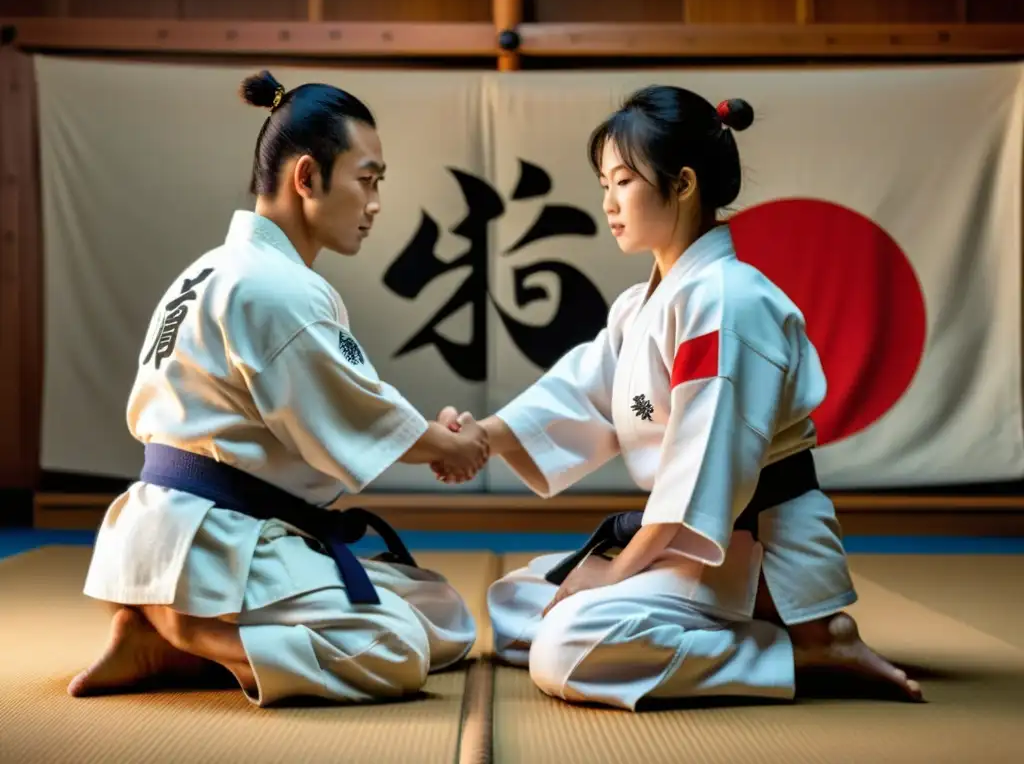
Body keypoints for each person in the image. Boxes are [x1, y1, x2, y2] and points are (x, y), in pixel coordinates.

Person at [436, 86, 923, 710]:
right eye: (604, 184)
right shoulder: (648, 303)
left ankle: (798, 647)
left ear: (684, 184)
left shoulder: (728, 301)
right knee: (515, 606)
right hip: (695, 539)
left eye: (621, 182)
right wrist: (482, 435)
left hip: (754, 552)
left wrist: (615, 571)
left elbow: (703, 470)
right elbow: (583, 391)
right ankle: (751, 635)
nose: (608, 204)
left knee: (564, 645)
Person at [68, 70, 490, 707]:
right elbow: (352, 413)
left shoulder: (213, 269)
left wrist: (433, 439)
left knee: (443, 617)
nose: (375, 203)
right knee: (395, 648)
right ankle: (186, 636)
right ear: (307, 177)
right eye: (367, 180)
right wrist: (445, 445)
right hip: (212, 539)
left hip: (174, 537)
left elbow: (344, 399)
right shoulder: (274, 286)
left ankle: (164, 622)